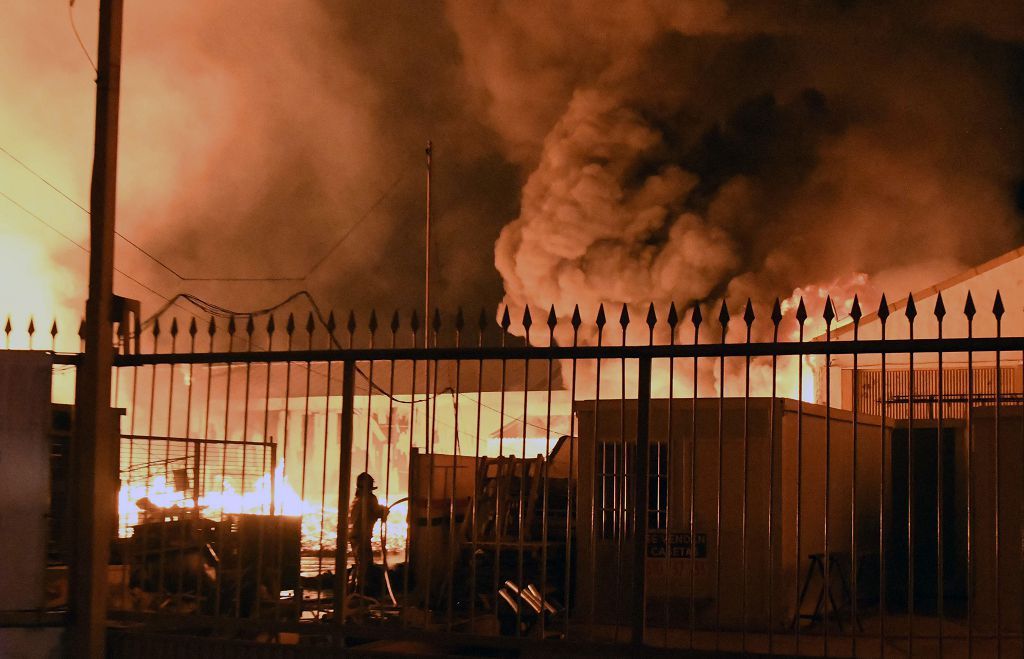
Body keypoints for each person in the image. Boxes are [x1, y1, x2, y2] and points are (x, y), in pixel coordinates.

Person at [349, 472, 387, 594]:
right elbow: (377, 512)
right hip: (362, 535)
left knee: (360, 561)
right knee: (365, 563)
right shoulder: (370, 498)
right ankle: (360, 590)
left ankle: (353, 587)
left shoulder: (357, 498)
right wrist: (384, 511)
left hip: (353, 535)